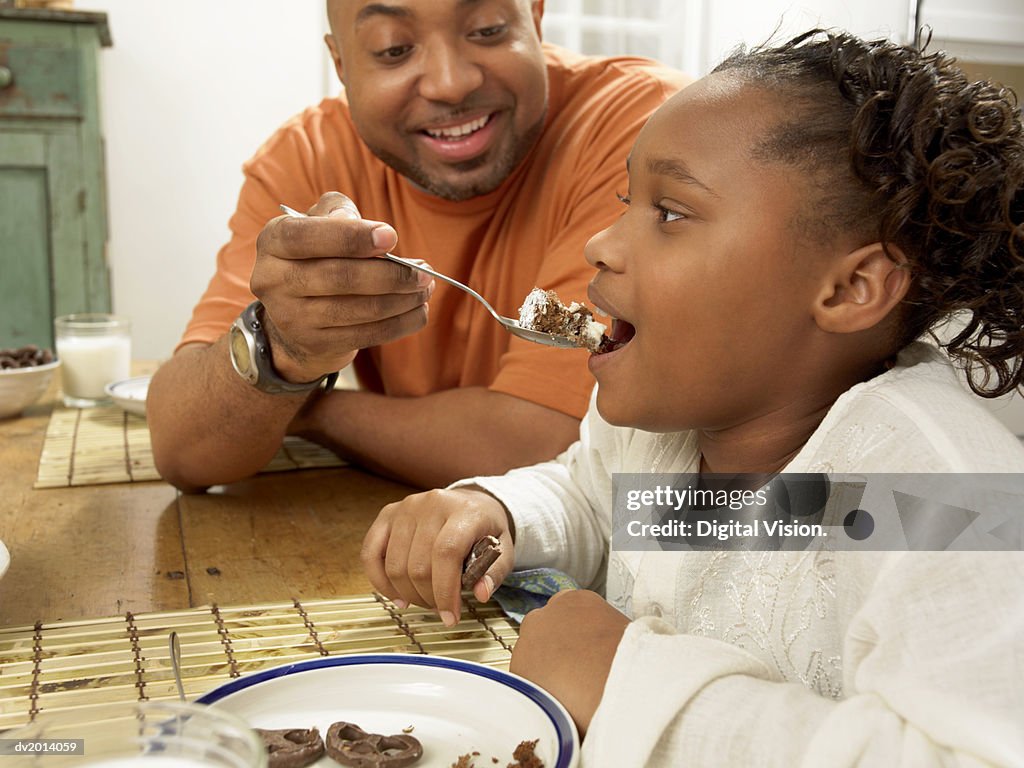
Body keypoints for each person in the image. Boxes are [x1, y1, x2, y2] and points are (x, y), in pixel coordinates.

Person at [361, 29, 1024, 765]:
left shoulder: (935, 492)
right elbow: (603, 505)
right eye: (625, 201)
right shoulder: (681, 425)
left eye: (670, 212)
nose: (602, 246)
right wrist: (497, 513)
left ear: (850, 288)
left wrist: (629, 683)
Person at [147, 0, 688, 492]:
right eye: (394, 49)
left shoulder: (649, 132)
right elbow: (184, 448)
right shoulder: (308, 158)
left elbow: (543, 449)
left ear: (537, 16)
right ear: (341, 64)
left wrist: (303, 403)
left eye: (488, 30)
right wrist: (286, 350)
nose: (451, 84)